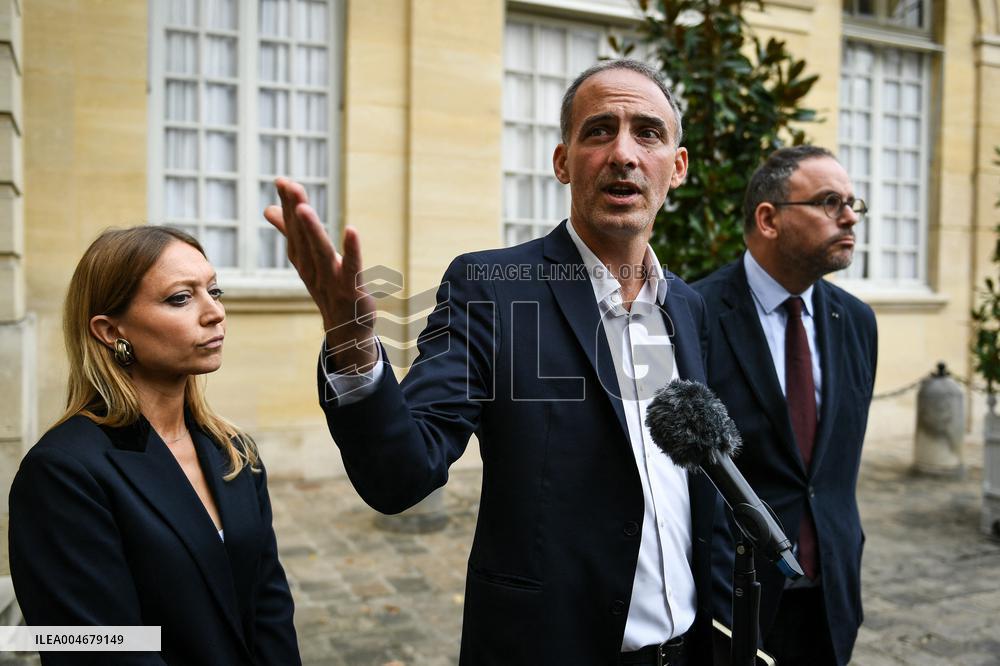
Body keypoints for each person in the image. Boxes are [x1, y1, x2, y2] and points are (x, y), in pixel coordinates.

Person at [265, 59, 722, 665]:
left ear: (678, 167)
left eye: (647, 132)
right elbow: (401, 473)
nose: (623, 153)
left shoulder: (687, 307)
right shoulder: (494, 288)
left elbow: (701, 492)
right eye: (597, 131)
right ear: (562, 161)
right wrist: (353, 348)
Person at [8, 226, 301, 665]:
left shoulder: (233, 450)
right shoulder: (62, 472)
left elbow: (269, 609)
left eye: (214, 290)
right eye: (180, 298)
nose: (215, 313)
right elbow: (97, 647)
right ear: (110, 330)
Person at [693, 146, 878, 665]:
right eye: (828, 202)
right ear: (769, 219)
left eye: (851, 202)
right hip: (734, 603)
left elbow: (833, 470)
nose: (849, 216)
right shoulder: (696, 313)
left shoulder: (857, 321)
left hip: (831, 593)